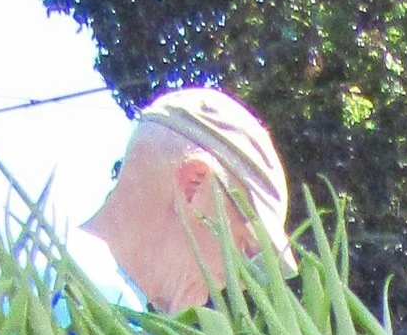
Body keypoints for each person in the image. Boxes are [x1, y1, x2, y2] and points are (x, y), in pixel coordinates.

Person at [85, 88, 291, 315]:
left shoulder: (52, 271)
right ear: (195, 185)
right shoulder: (97, 313)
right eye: (248, 249)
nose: (242, 283)